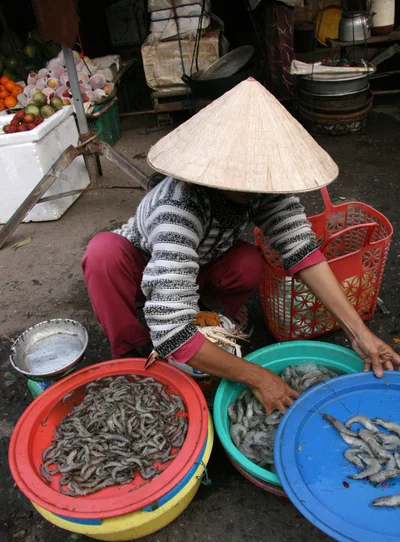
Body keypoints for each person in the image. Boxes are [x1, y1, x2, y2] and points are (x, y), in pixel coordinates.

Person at [82, 78, 400, 415]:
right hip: (143, 262)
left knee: (249, 262)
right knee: (103, 254)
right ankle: (132, 355)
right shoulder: (180, 206)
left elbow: (302, 251)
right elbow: (170, 332)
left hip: (203, 262)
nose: (260, 186)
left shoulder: (263, 188)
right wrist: (258, 376)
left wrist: (360, 333)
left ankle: (212, 320)